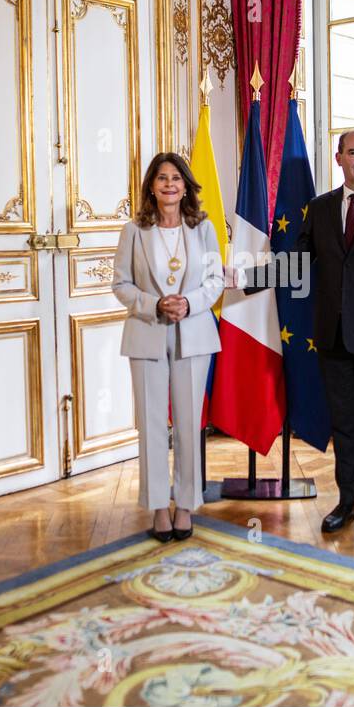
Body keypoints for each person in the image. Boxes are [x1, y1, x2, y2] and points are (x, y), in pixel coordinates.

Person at [236, 130, 354, 540]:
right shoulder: (319, 209)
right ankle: (347, 503)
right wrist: (244, 278)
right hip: (333, 339)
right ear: (338, 158)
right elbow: (298, 263)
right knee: (343, 428)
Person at [112, 152, 224, 542]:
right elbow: (121, 284)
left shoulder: (203, 228)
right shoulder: (133, 231)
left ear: (186, 185)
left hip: (193, 335)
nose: (170, 185)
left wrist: (189, 303)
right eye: (162, 178)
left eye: (176, 178)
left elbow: (214, 279)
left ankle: (186, 505)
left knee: (190, 425)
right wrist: (154, 304)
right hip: (147, 334)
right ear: (151, 186)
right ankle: (160, 506)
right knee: (153, 425)